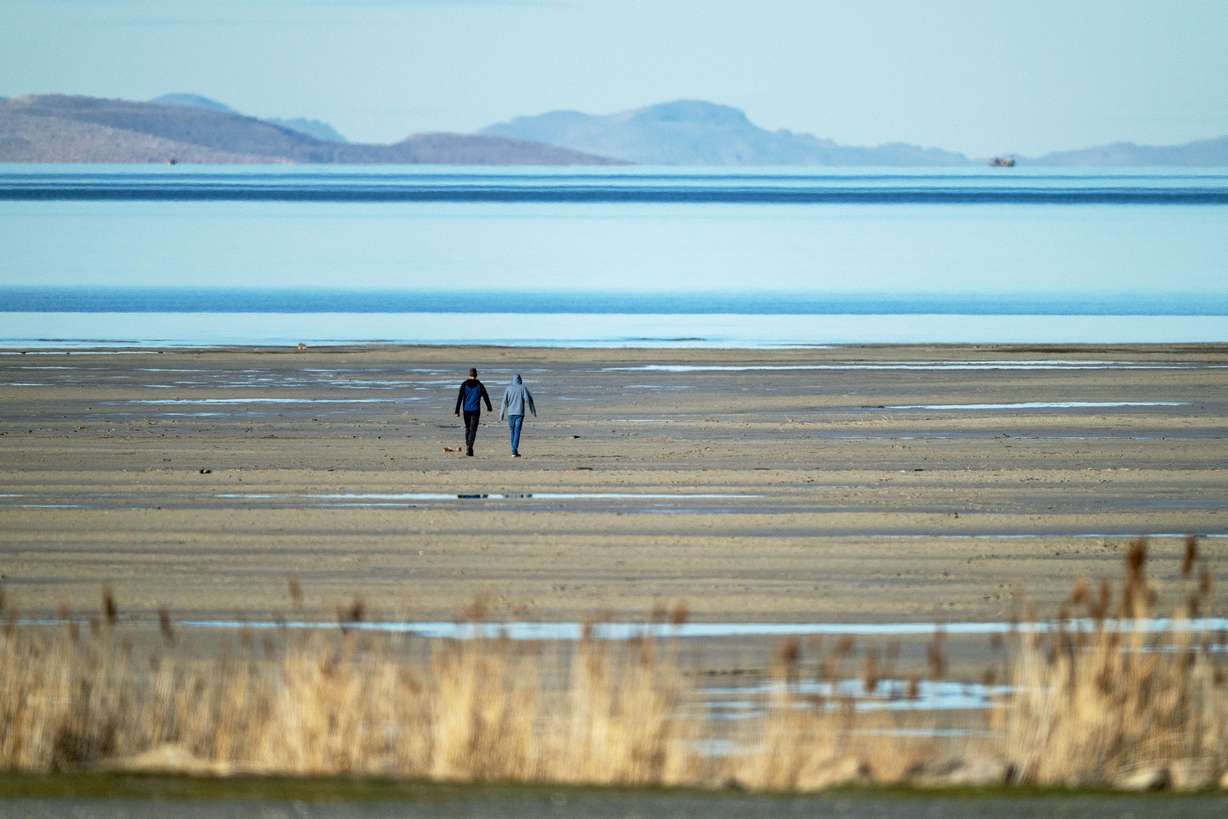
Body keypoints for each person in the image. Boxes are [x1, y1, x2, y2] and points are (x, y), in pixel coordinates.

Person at [453, 367, 492, 456]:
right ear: (476, 375)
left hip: (466, 410)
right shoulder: (480, 385)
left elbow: (460, 398)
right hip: (475, 410)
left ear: (469, 375)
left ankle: (468, 445)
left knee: (468, 428)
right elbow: (486, 396)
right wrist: (489, 407)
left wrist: (457, 410)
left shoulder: (464, 384)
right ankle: (470, 446)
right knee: (473, 430)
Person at [498, 373, 537, 457]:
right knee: (517, 432)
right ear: (520, 379)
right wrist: (533, 411)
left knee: (513, 432)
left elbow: (504, 401)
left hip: (510, 414)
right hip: (519, 413)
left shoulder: (508, 388)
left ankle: (514, 451)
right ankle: (514, 451)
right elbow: (528, 399)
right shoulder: (522, 388)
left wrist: (501, 414)